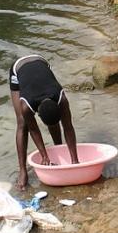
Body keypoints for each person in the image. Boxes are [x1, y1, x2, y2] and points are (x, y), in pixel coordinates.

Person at [9, 55, 78, 190]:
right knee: (22, 123)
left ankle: (59, 151)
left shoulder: (61, 100)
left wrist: (75, 160)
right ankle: (22, 171)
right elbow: (34, 130)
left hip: (41, 62)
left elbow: (68, 127)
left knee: (54, 123)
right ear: (38, 114)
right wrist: (44, 156)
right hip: (19, 68)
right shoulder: (26, 106)